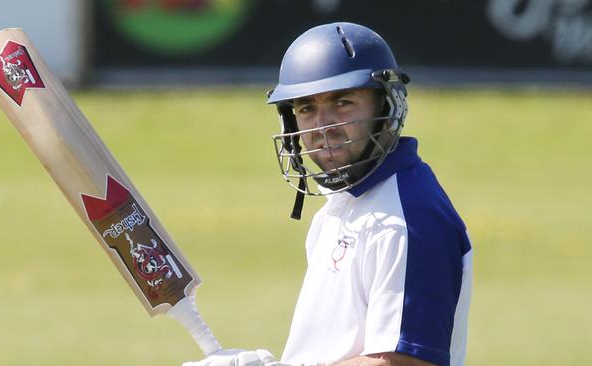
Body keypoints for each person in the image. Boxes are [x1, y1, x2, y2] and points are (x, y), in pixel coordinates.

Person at [184, 22, 473, 366]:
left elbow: (404, 362)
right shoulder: (343, 205)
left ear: (387, 105)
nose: (323, 126)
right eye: (306, 108)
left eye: (343, 102)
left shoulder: (406, 219)